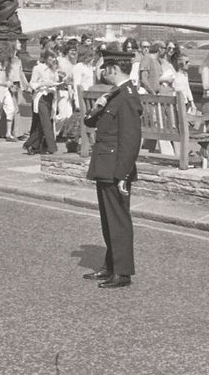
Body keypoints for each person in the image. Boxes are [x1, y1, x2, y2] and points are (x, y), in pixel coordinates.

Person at [82, 46, 142, 290]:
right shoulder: (115, 94)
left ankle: (122, 272)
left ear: (114, 68)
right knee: (108, 221)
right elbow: (89, 121)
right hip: (106, 165)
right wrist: (97, 106)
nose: (102, 71)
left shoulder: (127, 97)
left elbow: (130, 140)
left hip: (116, 167)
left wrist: (122, 174)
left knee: (118, 222)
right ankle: (111, 265)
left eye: (105, 68)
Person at [25, 49, 62, 155]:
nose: (53, 59)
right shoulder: (38, 68)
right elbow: (32, 84)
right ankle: (52, 148)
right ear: (45, 57)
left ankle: (31, 145)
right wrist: (44, 83)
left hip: (51, 97)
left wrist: (59, 84)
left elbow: (55, 82)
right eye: (51, 57)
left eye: (54, 57)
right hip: (41, 97)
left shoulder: (54, 69)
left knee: (42, 124)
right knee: (46, 123)